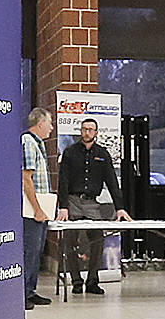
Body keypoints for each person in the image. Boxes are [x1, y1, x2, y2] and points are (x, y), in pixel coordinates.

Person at [55, 117, 132, 294]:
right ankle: (75, 281)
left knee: (98, 240)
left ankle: (92, 281)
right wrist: (63, 206)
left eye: (90, 129)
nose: (87, 132)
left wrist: (120, 207)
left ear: (96, 133)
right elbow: (63, 181)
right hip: (73, 202)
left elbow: (112, 182)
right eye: (84, 129)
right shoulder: (70, 152)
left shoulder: (103, 154)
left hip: (92, 203)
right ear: (80, 131)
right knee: (69, 240)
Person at [22, 107, 55, 308]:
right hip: (31, 210)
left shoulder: (38, 143)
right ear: (40, 123)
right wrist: (37, 209)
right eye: (50, 123)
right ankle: (22, 293)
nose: (52, 128)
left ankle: (31, 290)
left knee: (37, 251)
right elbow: (26, 178)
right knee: (30, 251)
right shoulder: (27, 142)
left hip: (41, 209)